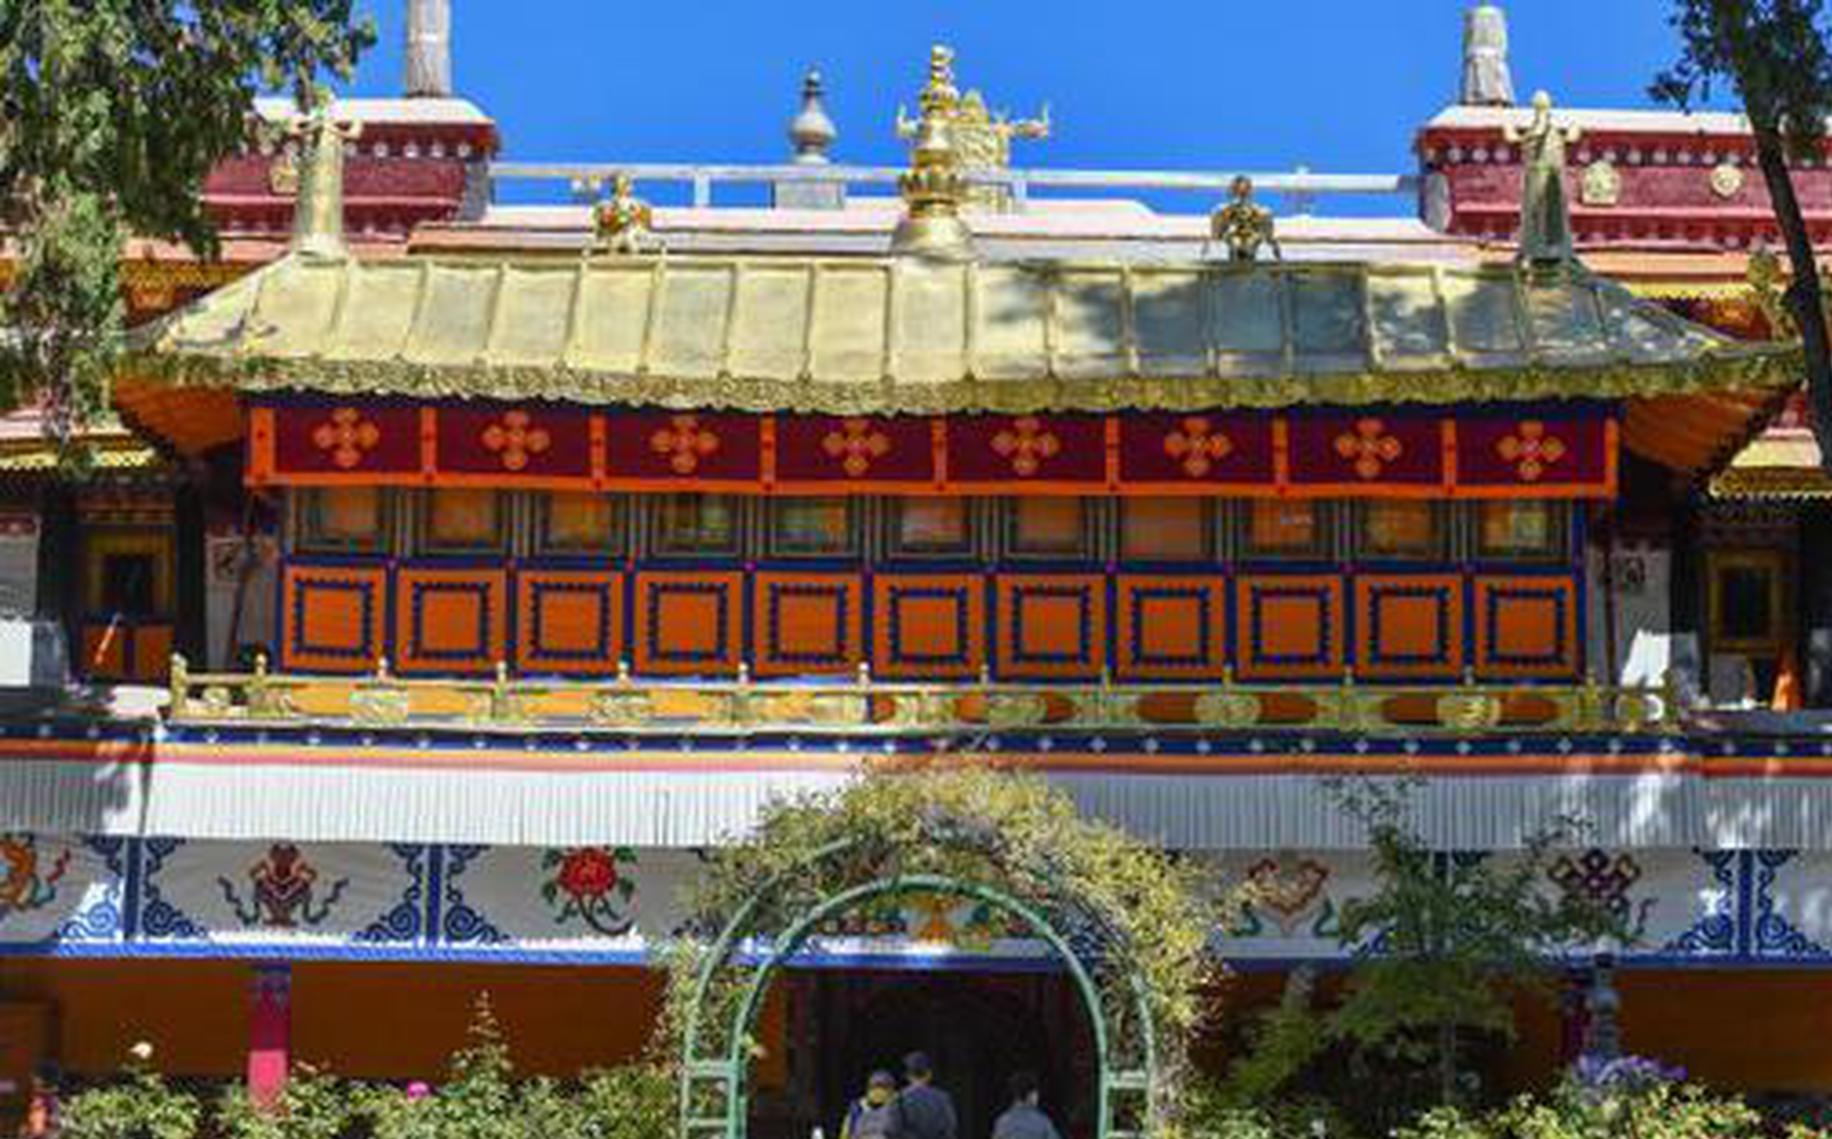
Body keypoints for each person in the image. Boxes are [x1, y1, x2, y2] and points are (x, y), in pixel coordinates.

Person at [891, 1052, 956, 1139]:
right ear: (929, 1074)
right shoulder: (943, 1098)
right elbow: (950, 1128)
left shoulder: (899, 1099)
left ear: (907, 1076)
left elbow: (893, 1131)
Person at [991, 1072, 1060, 1139]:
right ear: (1030, 1095)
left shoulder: (1002, 1122)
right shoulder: (1041, 1121)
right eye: (1036, 1093)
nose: (1037, 1097)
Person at [840, 1071, 899, 1139]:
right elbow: (845, 1134)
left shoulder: (898, 1109)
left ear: (891, 1091)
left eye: (883, 1089)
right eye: (874, 1088)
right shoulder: (857, 1110)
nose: (878, 1093)